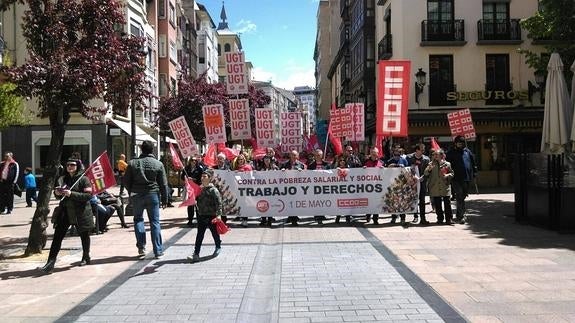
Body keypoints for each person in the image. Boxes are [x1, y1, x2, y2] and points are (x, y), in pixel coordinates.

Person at [39, 158, 93, 273]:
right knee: (57, 237)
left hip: (80, 213)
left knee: (84, 235)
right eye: (68, 165)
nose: (70, 167)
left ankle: (86, 256)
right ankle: (50, 262)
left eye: (72, 165)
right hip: (65, 212)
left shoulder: (84, 179)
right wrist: (57, 193)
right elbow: (60, 196)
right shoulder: (63, 179)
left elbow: (88, 196)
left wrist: (71, 194)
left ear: (77, 166)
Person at [124, 140, 169, 259]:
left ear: (141, 149)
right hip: (152, 194)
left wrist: (131, 191)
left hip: (137, 194)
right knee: (155, 222)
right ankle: (158, 250)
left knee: (138, 219)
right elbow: (163, 184)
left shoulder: (132, 163)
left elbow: (126, 181)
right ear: (152, 150)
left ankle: (141, 247)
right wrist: (165, 199)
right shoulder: (158, 164)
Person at [188, 169, 222, 263]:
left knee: (214, 233)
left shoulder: (213, 190)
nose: (202, 178)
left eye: (204, 176)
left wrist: (218, 215)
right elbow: (195, 198)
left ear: (209, 178)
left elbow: (219, 204)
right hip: (201, 215)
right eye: (202, 176)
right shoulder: (199, 189)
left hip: (211, 216)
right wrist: (194, 200)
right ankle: (196, 253)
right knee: (199, 235)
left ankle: (218, 245)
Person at [446, 136, 478, 224]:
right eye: (458, 142)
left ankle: (459, 213)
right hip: (455, 178)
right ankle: (462, 215)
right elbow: (446, 165)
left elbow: (473, 163)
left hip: (466, 178)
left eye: (461, 142)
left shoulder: (467, 152)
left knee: (462, 196)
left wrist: (475, 172)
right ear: (455, 143)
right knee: (459, 194)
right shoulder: (451, 153)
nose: (460, 144)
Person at [425, 149, 454, 224]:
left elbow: (452, 173)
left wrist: (447, 175)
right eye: (434, 154)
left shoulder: (447, 164)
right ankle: (440, 219)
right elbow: (425, 174)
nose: (435, 156)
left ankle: (449, 219)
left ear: (441, 155)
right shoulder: (431, 164)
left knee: (447, 204)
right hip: (435, 187)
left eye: (437, 154)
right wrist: (429, 169)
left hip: (445, 187)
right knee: (438, 205)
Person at [406, 144, 431, 225]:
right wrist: (414, 176)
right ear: (416, 150)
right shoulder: (409, 158)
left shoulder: (426, 159)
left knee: (422, 200)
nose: (423, 151)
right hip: (412, 182)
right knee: (414, 199)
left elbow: (428, 170)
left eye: (424, 150)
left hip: (422, 182)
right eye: (422, 150)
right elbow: (407, 169)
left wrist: (424, 177)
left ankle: (423, 218)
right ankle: (415, 216)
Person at [385, 147, 410, 226]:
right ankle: (394, 217)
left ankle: (403, 218)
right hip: (392, 184)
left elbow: (408, 170)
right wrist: (389, 167)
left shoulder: (404, 160)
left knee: (402, 202)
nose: (397, 156)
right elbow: (384, 172)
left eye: (398, 154)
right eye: (395, 154)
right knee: (393, 202)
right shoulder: (390, 161)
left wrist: (404, 168)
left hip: (402, 184)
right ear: (393, 154)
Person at [281, 150, 305, 226]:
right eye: (292, 155)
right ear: (290, 156)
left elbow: (306, 175)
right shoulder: (284, 164)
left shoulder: (301, 165)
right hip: (287, 187)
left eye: (295, 155)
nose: (293, 157)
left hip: (297, 187)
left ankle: (293, 219)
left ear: (297, 156)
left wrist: (302, 172)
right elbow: (279, 174)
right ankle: (291, 216)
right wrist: (282, 171)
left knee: (294, 202)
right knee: (289, 202)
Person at [307, 149, 331, 225]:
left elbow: (331, 173)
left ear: (322, 156)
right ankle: (317, 215)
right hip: (314, 186)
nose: (317, 157)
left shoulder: (327, 165)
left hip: (324, 186)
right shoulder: (311, 165)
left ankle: (322, 214)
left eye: (319, 155)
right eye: (316, 155)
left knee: (323, 200)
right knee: (316, 201)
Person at [181, 156, 205, 227]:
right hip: (190, 189)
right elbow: (182, 176)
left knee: (198, 205)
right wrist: (186, 178)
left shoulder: (199, 168)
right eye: (192, 160)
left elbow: (202, 177)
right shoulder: (186, 168)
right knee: (190, 204)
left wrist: (194, 179)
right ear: (190, 161)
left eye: (195, 160)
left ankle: (199, 220)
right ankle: (190, 220)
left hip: (197, 188)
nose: (194, 162)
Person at [363, 147, 384, 224]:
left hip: (378, 187)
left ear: (378, 154)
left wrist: (383, 170)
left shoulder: (381, 162)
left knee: (377, 203)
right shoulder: (365, 162)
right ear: (370, 153)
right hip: (368, 187)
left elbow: (385, 174)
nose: (374, 155)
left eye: (375, 153)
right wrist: (363, 169)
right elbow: (360, 173)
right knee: (369, 202)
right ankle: (368, 215)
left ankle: (375, 219)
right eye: (372, 153)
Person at [232, 153, 253, 227]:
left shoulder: (248, 167)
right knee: (240, 204)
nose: (240, 161)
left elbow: (250, 177)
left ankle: (245, 220)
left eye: (241, 159)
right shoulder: (236, 168)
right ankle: (242, 218)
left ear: (244, 160)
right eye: (239, 160)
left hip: (245, 189)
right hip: (238, 189)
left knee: (245, 204)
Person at [258, 155, 278, 226]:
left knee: (270, 205)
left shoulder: (274, 168)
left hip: (271, 190)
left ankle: (270, 220)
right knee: (263, 204)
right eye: (265, 159)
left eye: (268, 159)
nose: (266, 161)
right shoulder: (260, 168)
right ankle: (263, 220)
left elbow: (279, 176)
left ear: (270, 160)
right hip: (263, 189)